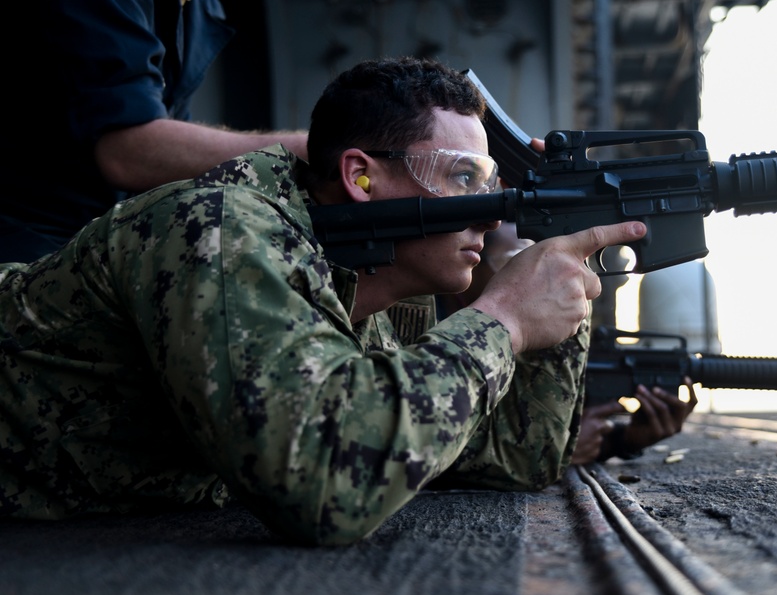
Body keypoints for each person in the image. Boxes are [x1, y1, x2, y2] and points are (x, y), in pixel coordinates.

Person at [0, 57, 647, 546]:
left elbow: (511, 459)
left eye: (492, 183)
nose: (488, 209)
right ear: (360, 177)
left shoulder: (379, 287)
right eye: (463, 178)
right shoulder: (220, 230)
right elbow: (324, 488)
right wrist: (501, 320)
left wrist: (553, 272)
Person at [0, 0, 307, 263]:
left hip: (77, 252)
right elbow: (127, 151)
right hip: (18, 251)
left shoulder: (194, 5)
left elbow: (161, 163)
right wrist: (308, 153)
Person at [438, 224, 698, 465]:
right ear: (473, 263)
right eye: (512, 262)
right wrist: (556, 451)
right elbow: (431, 444)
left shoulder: (541, 342)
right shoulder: (436, 344)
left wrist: (623, 439)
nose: (539, 277)